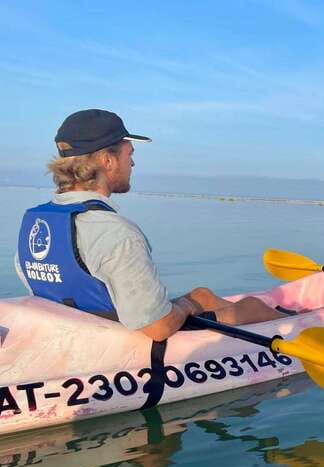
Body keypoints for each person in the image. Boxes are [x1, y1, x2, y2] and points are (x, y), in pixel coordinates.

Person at [15, 109, 285, 341]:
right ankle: (299, 326)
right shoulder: (115, 232)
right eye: (128, 154)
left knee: (202, 295)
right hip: (122, 342)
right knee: (251, 307)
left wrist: (193, 301)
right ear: (107, 160)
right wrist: (187, 306)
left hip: (78, 332)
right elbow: (158, 328)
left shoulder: (34, 221)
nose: (132, 163)